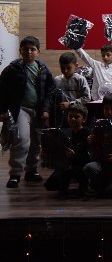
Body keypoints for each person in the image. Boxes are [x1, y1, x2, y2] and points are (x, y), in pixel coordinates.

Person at [1, 36, 55, 188]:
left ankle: (31, 170)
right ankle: (15, 174)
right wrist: (2, 110)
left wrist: (45, 109)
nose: (29, 52)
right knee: (22, 140)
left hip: (38, 111)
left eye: (32, 49)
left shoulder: (43, 69)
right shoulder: (12, 69)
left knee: (36, 143)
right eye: (25, 49)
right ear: (20, 51)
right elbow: (2, 90)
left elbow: (50, 90)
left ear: (38, 51)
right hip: (20, 110)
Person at [43, 103, 91, 197]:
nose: (73, 119)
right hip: (66, 165)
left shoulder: (88, 133)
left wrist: (74, 155)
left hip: (82, 164)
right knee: (50, 185)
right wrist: (46, 154)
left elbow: (89, 155)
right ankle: (65, 185)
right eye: (70, 116)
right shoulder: (64, 133)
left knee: (79, 170)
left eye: (77, 117)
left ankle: (83, 185)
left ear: (84, 119)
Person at [53, 52, 91, 126]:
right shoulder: (57, 80)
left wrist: (70, 104)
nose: (65, 71)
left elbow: (87, 98)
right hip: (61, 117)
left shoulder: (80, 79)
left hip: (77, 116)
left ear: (76, 66)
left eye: (68, 68)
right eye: (62, 68)